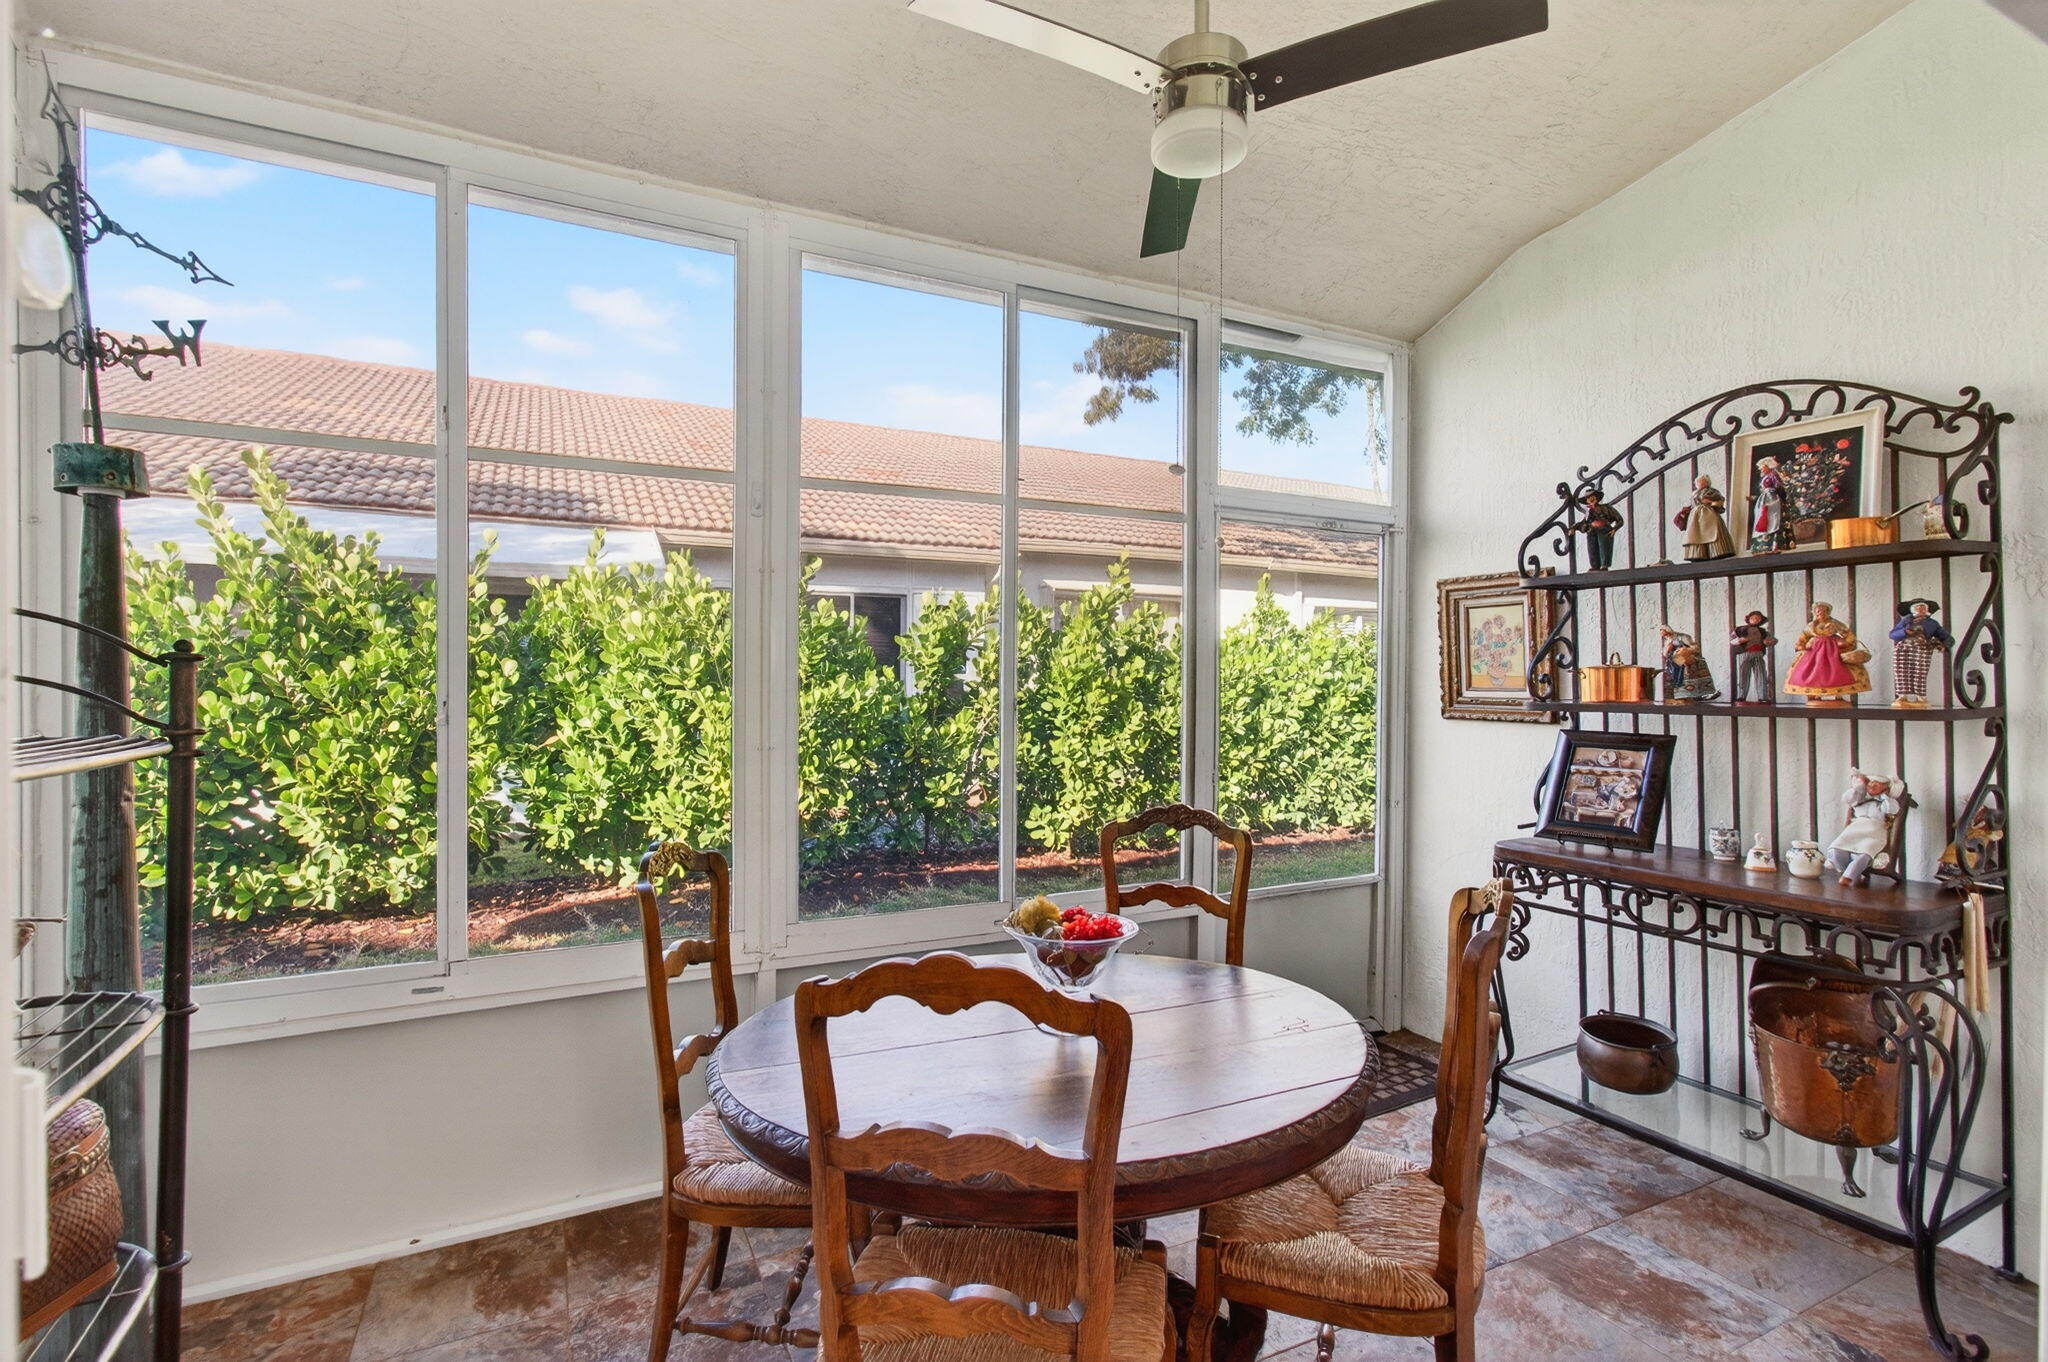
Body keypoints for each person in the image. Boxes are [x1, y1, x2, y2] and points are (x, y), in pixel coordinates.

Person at [1784, 601, 1870, 704]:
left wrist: (1847, 643)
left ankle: (1839, 696)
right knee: (1815, 671)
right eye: (1818, 611)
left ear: (1828, 612)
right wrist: (1801, 645)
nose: (1821, 613)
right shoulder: (1811, 625)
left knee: (1838, 670)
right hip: (1815, 650)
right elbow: (1804, 637)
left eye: (1824, 611)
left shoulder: (1835, 623)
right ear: (1815, 612)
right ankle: (1817, 695)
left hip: (1832, 649)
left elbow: (1848, 634)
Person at [1827, 771, 1902, 886]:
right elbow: (1847, 798)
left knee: (1866, 851)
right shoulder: (1861, 798)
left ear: (1885, 787)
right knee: (1837, 847)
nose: (1872, 785)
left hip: (1874, 832)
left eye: (1877, 783)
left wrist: (1884, 796)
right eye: (1870, 782)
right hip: (1855, 829)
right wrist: (1860, 786)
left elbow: (1891, 810)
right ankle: (1848, 870)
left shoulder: (1887, 802)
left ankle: (1848, 877)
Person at [1889, 598, 1952, 708]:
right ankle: (1902, 695)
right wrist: (1904, 631)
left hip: (1922, 649)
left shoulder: (1932, 623)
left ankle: (1920, 696)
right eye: (1919, 608)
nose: (1921, 610)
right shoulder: (1906, 621)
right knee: (1901, 670)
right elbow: (1893, 634)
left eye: (1924, 608)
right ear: (1913, 610)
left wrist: (1944, 645)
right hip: (1903, 649)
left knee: (1920, 672)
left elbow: (1947, 637)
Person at [1678, 473, 1735, 561]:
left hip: (1708, 513)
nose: (1698, 483)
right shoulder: (1695, 493)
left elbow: (1719, 500)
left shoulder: (1712, 491)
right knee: (1695, 533)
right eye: (1697, 482)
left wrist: (1708, 501)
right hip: (1696, 516)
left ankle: (1717, 551)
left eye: (1701, 481)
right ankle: (1698, 553)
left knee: (1712, 532)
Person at [1729, 611, 1776, 703]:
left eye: (1758, 619)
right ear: (1748, 619)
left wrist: (1769, 641)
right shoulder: (1740, 629)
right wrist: (1740, 640)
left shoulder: (1763, 631)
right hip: (1745, 653)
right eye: (1754, 618)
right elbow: (1732, 640)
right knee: (1743, 674)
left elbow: (1771, 640)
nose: (1756, 620)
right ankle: (1741, 696)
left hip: (1758, 653)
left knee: (1761, 674)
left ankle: (1762, 697)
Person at [1571, 489, 1624, 570]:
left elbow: (1619, 520)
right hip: (1591, 531)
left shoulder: (1606, 508)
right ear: (1587, 501)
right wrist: (1574, 527)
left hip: (1604, 530)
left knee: (1604, 547)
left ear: (1596, 498)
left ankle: (1604, 565)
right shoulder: (1588, 512)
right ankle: (1594, 566)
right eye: (1588, 498)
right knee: (1592, 548)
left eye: (1592, 497)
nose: (1590, 499)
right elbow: (1583, 523)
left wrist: (1614, 529)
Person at [1749, 457, 1792, 553]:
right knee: (1763, 517)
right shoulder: (1765, 477)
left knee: (1772, 519)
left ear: (1768, 466)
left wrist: (1780, 497)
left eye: (1762, 467)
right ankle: (1762, 545)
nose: (1761, 469)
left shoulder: (1773, 475)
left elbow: (1779, 486)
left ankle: (1774, 545)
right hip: (1765, 499)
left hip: (1772, 499)